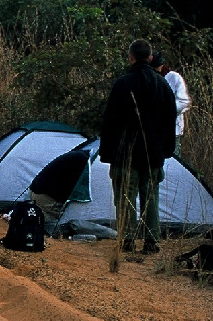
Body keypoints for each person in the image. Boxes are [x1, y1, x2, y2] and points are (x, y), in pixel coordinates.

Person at [99, 39, 177, 255]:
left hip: (126, 153)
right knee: (151, 196)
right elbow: (170, 121)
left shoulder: (123, 84)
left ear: (131, 57)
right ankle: (151, 241)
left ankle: (127, 240)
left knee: (125, 197)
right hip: (153, 153)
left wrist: (108, 154)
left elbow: (110, 122)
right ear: (150, 57)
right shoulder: (163, 85)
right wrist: (166, 150)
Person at [27, 147, 91, 236]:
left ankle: (28, 214)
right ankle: (29, 218)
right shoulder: (83, 160)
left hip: (36, 192)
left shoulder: (79, 155)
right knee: (63, 223)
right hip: (46, 197)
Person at [150, 50, 190, 159]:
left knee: (172, 162)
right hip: (152, 131)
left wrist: (166, 111)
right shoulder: (149, 79)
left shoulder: (173, 77)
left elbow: (184, 102)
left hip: (172, 130)